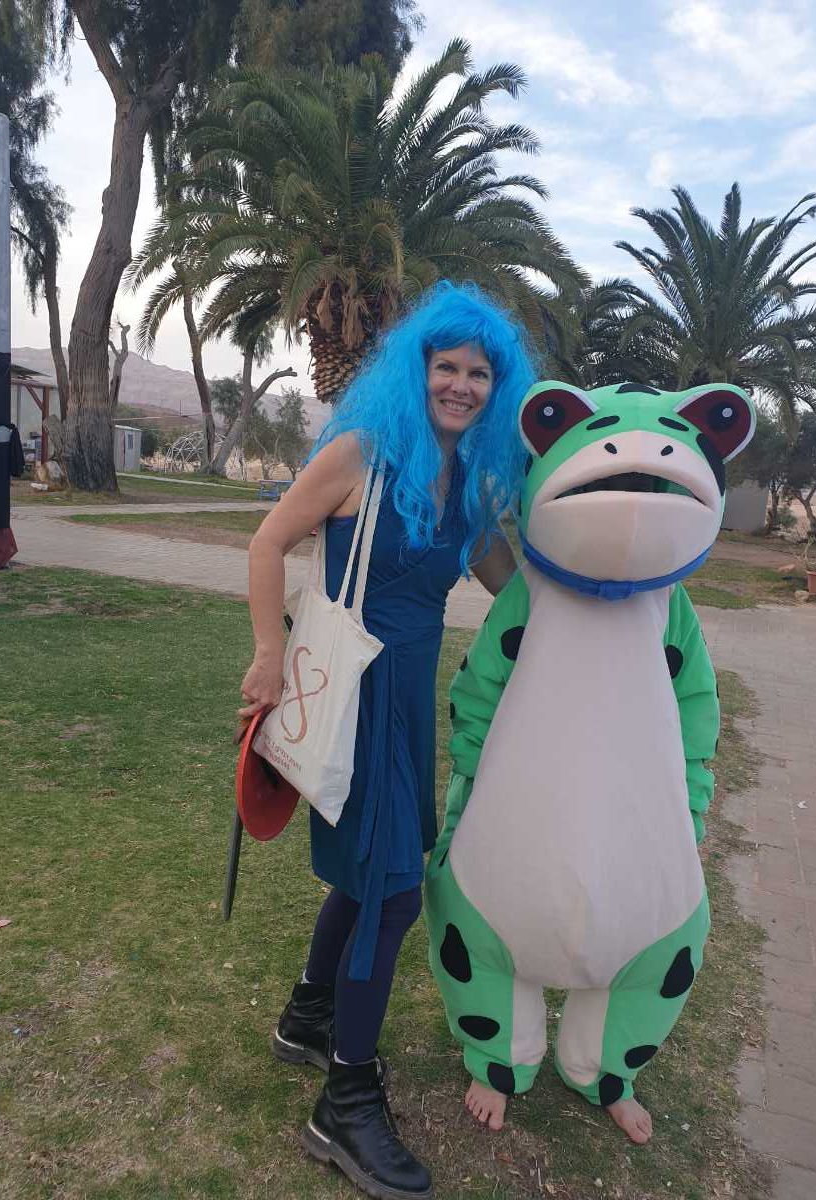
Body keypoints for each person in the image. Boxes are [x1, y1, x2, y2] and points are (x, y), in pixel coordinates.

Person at [238, 282, 537, 1200]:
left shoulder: (469, 481)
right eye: (446, 366)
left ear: (497, 387)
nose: (460, 385)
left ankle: (307, 1015)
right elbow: (266, 543)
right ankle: (344, 1101)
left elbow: (508, 583)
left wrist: (598, 590)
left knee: (377, 871)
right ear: (418, 371)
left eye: (478, 373)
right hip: (351, 693)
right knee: (395, 892)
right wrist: (267, 655)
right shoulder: (361, 453)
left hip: (407, 701)